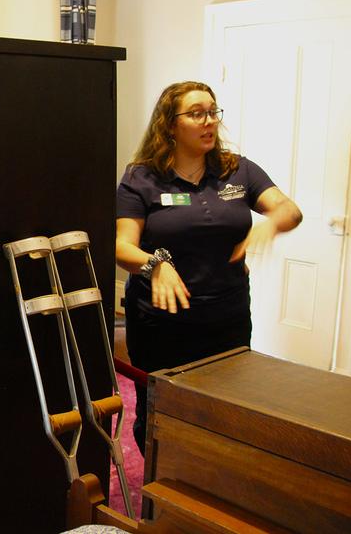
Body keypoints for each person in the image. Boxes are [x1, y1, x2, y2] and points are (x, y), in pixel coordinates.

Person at [115, 81, 302, 453]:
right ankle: (158, 497)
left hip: (226, 318)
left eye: (213, 112)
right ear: (170, 125)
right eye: (196, 113)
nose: (209, 121)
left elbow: (289, 210)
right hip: (163, 323)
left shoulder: (238, 171)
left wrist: (272, 223)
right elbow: (121, 247)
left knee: (222, 416)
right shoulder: (142, 178)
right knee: (160, 417)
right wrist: (156, 264)